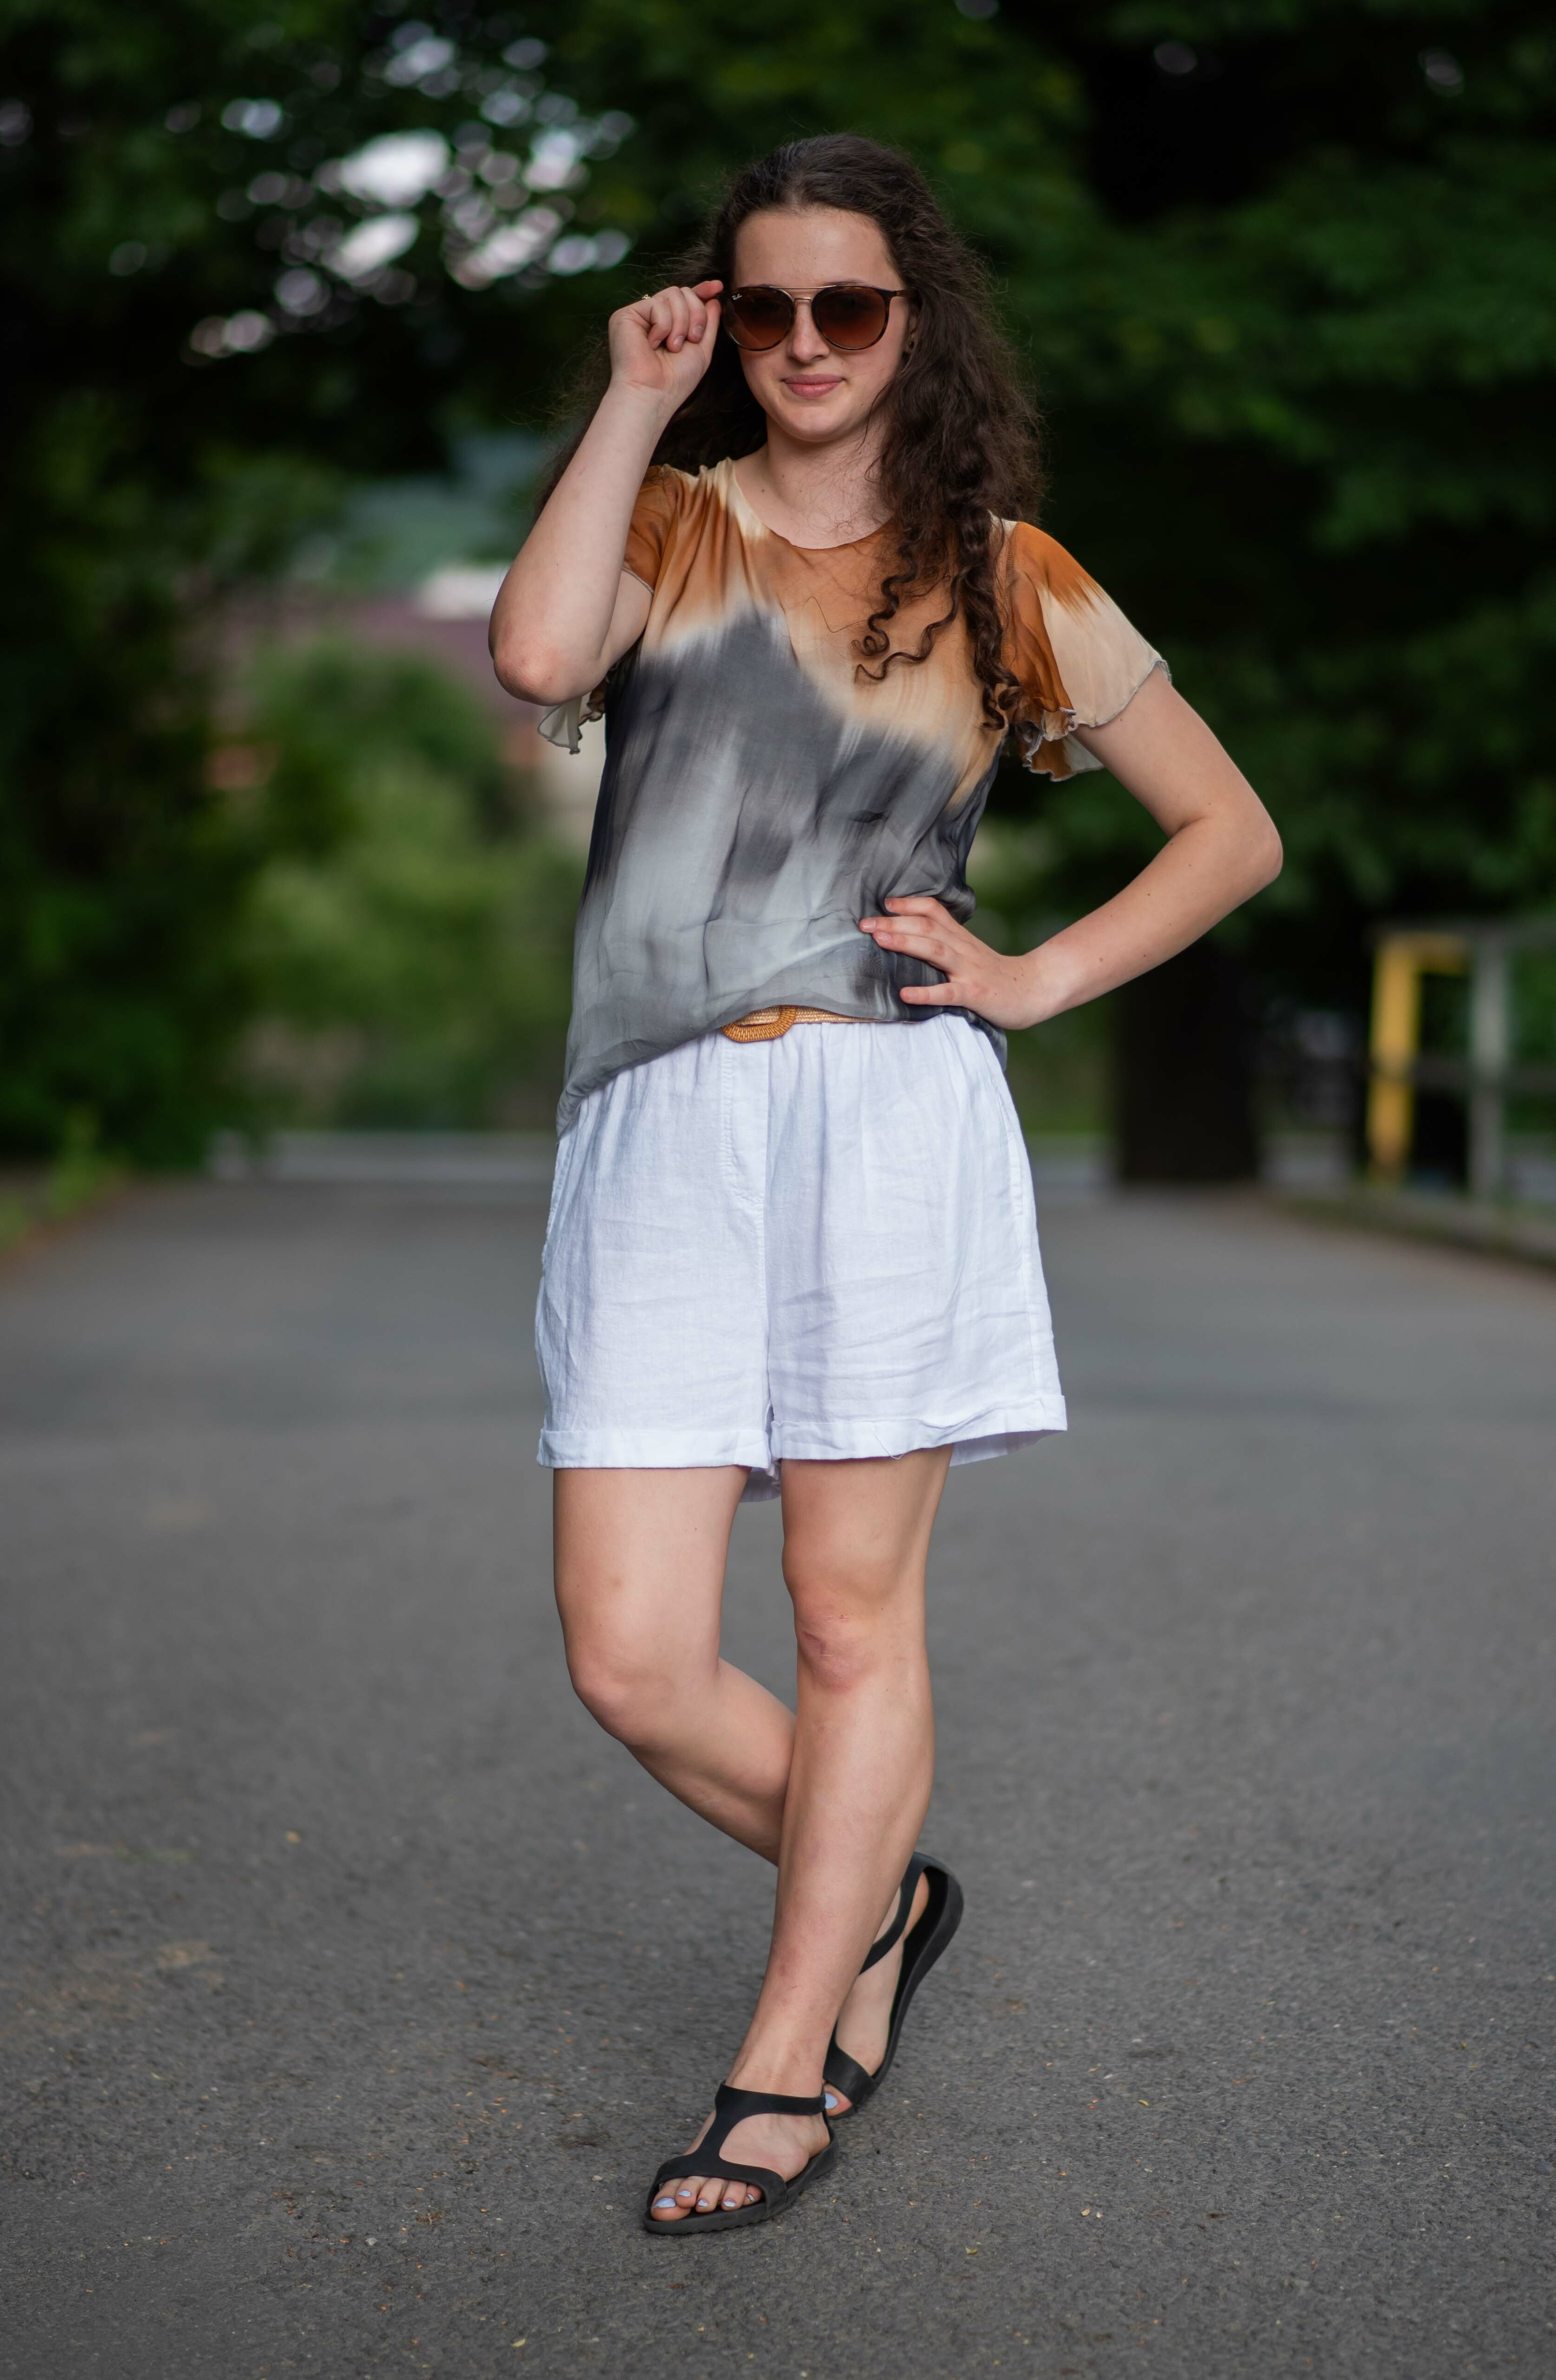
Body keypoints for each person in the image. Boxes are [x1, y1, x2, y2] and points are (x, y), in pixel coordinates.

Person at [491, 133, 1280, 2236]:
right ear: (722, 322)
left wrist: (1036, 976)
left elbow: (1230, 830)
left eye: (847, 304)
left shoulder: (1002, 572)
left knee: (849, 1621)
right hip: (661, 1118)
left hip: (886, 1115)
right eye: (764, 308)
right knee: (628, 1653)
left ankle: (781, 2059)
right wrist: (632, 398)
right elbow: (539, 658)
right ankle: (882, 1894)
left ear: (913, 322)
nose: (807, 342)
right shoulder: (671, 517)